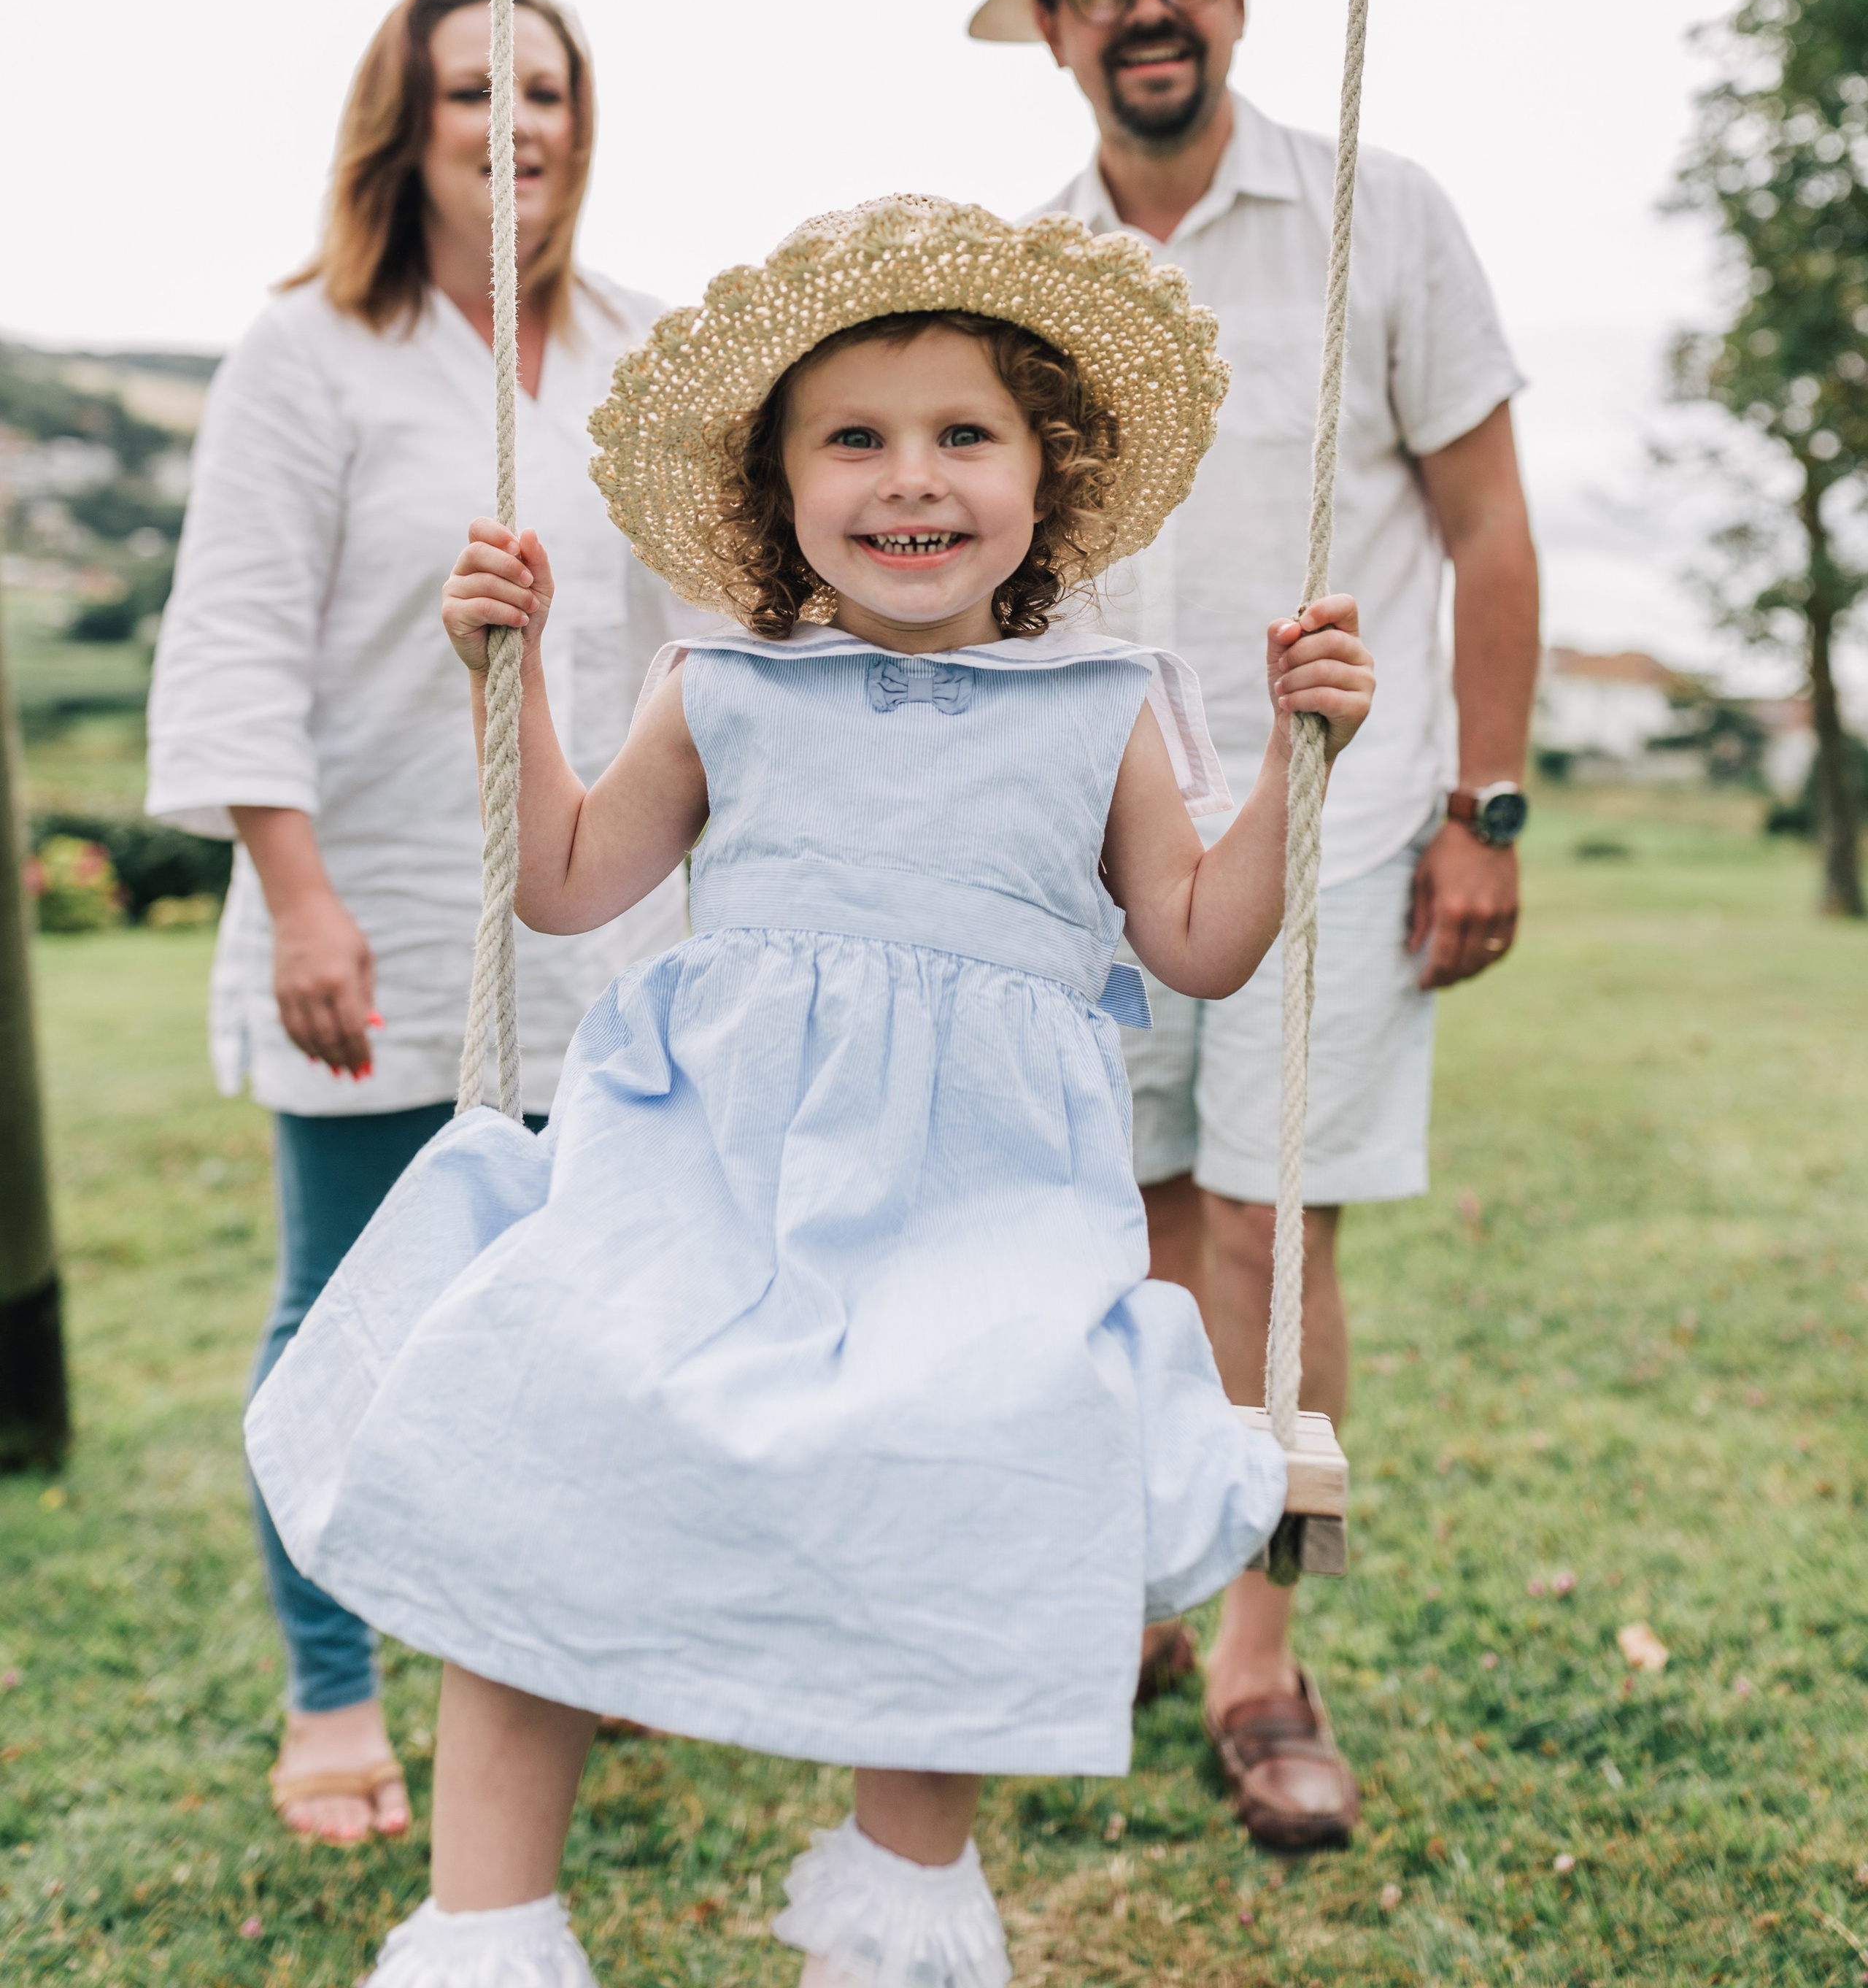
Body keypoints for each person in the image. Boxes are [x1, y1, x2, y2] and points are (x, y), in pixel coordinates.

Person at [244, 193, 1376, 1988]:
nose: (905, 479)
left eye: (961, 436)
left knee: (970, 1451)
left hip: (979, 1209)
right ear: (778, 488)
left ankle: (892, 1909)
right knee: (542, 1424)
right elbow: (559, 880)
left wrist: (1298, 772)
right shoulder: (722, 688)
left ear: (1042, 477)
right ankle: (487, 1933)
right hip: (703, 1185)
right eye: (851, 439)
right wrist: (511, 678)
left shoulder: (1103, 707)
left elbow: (1197, 943)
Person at [972, 0, 1540, 1850]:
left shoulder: (1386, 213)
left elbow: (1485, 529)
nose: (1149, 5)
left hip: (1346, 804)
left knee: (1265, 1230)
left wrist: (1488, 806)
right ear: (1053, 25)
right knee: (1118, 1226)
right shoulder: (1021, 272)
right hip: (1094, 819)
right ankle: (1142, 1575)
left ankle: (1258, 1654)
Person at [145, 0, 692, 1846]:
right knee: (342, 1316)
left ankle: (553, 1642)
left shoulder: (639, 345)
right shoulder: (309, 350)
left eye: (546, 90)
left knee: (581, 1310)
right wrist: (295, 902)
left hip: (596, 918)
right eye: (475, 92)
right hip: (367, 897)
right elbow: (230, 646)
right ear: (408, 122)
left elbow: (684, 635)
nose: (517, 125)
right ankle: (329, 1692)